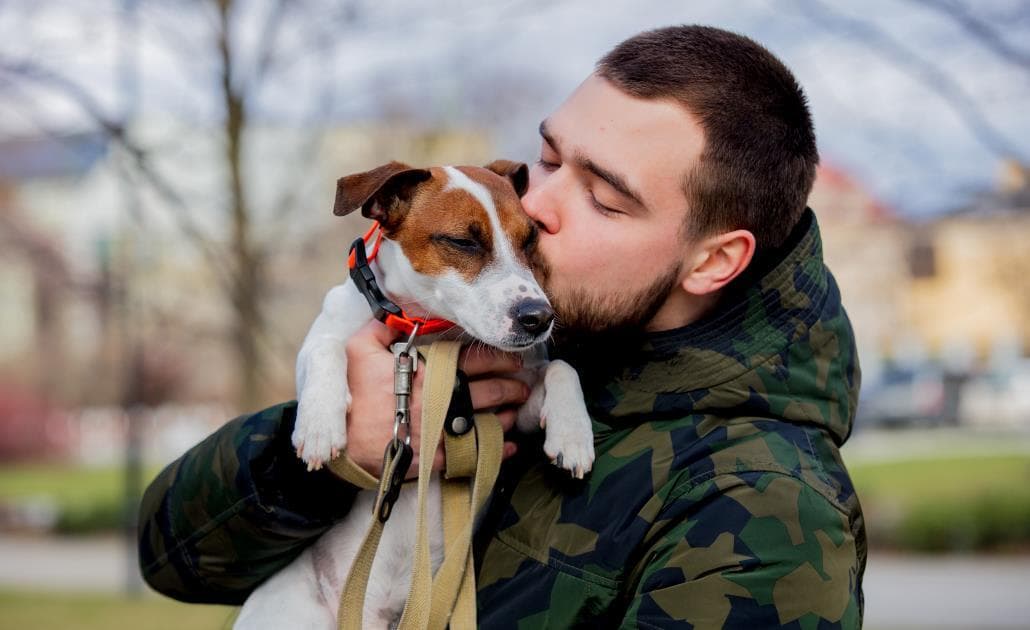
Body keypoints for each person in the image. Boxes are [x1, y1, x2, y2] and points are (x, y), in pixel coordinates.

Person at [139, 25, 865, 628]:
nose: (535, 205)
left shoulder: (762, 510)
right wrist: (343, 450)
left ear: (713, 261)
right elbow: (173, 560)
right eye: (547, 158)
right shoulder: (472, 337)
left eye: (604, 198)